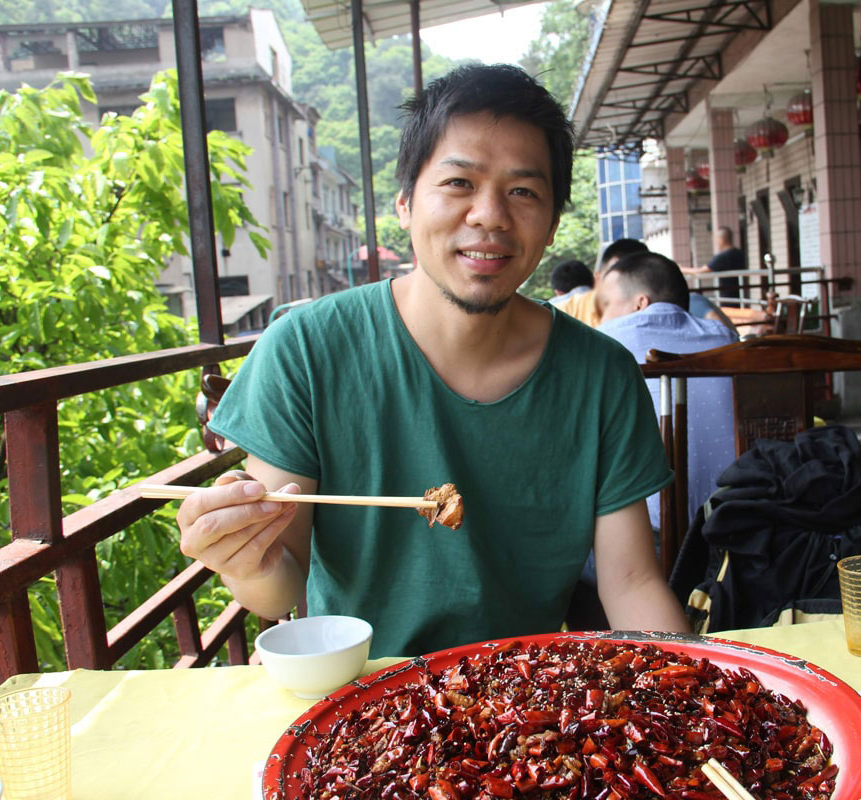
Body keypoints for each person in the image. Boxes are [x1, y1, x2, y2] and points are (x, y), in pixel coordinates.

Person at [175, 64, 689, 659]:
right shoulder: (307, 349)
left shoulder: (602, 375)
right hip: (362, 698)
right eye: (458, 183)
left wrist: (697, 688)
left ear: (551, 225)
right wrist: (248, 559)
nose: (490, 215)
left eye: (523, 191)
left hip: (531, 696)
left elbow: (631, 582)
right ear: (404, 202)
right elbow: (277, 586)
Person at [597, 252, 738, 531]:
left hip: (644, 538)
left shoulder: (602, 343)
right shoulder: (725, 338)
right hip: (732, 524)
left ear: (641, 303)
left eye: (607, 304)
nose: (603, 315)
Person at [558, 238, 648, 327]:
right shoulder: (563, 315)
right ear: (598, 279)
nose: (623, 287)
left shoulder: (650, 315)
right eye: (616, 279)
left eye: (632, 281)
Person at [682, 226, 745, 307]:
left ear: (721, 240)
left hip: (728, 296)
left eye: (716, 239)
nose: (716, 242)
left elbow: (701, 271)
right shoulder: (739, 254)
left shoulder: (723, 257)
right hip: (741, 294)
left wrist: (682, 269)